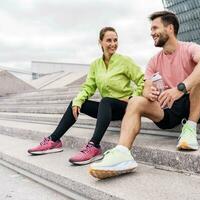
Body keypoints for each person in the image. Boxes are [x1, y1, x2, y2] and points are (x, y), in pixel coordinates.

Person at [88, 11, 200, 179]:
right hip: (169, 110)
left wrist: (180, 89)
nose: (152, 33)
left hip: (196, 104)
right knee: (135, 101)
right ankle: (122, 154)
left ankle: (190, 129)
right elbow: (146, 85)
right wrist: (148, 92)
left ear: (170, 28)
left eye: (155, 28)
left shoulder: (191, 48)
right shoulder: (154, 61)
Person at [27, 27, 144, 165]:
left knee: (105, 101)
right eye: (109, 40)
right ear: (100, 42)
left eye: (115, 40)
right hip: (107, 109)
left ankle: (94, 146)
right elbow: (88, 87)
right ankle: (54, 140)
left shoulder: (125, 61)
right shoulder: (95, 65)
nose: (113, 44)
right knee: (76, 103)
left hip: (124, 108)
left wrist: (132, 99)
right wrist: (78, 101)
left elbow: (142, 80)